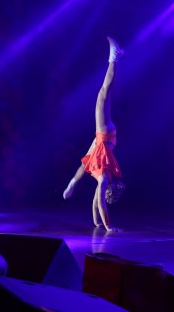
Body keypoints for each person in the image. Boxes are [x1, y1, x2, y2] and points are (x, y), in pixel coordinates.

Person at [62, 37, 124, 231]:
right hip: (104, 136)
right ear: (108, 190)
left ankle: (72, 184)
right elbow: (101, 203)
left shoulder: (102, 181)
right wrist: (108, 227)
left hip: (104, 140)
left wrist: (97, 223)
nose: (102, 194)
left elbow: (96, 203)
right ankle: (114, 57)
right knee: (103, 93)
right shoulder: (103, 179)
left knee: (84, 163)